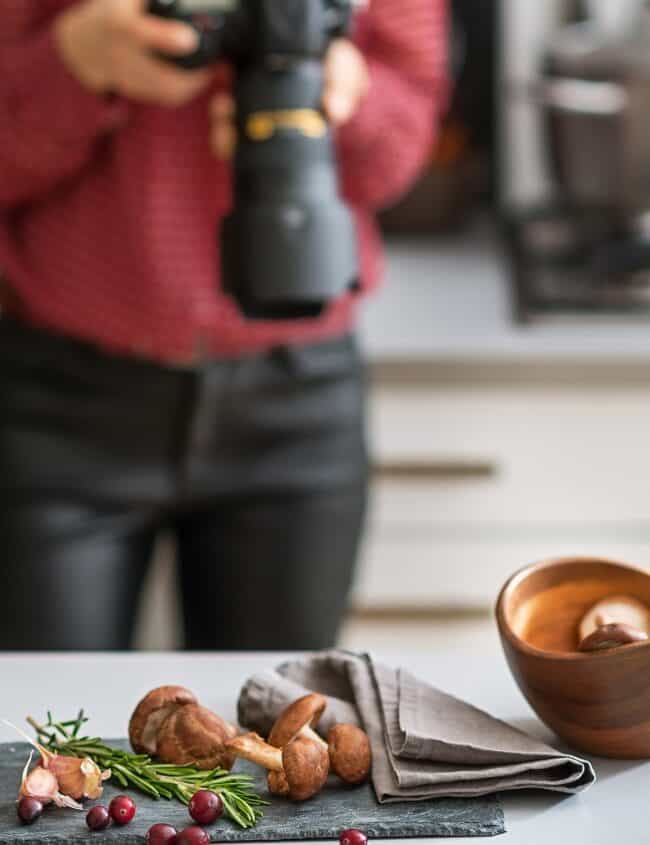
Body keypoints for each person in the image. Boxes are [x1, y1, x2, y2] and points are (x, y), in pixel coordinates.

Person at [0, 0, 448, 650]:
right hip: (57, 397)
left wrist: (337, 99)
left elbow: (400, 154)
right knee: (42, 737)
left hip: (299, 402)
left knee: (276, 736)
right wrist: (73, 64)